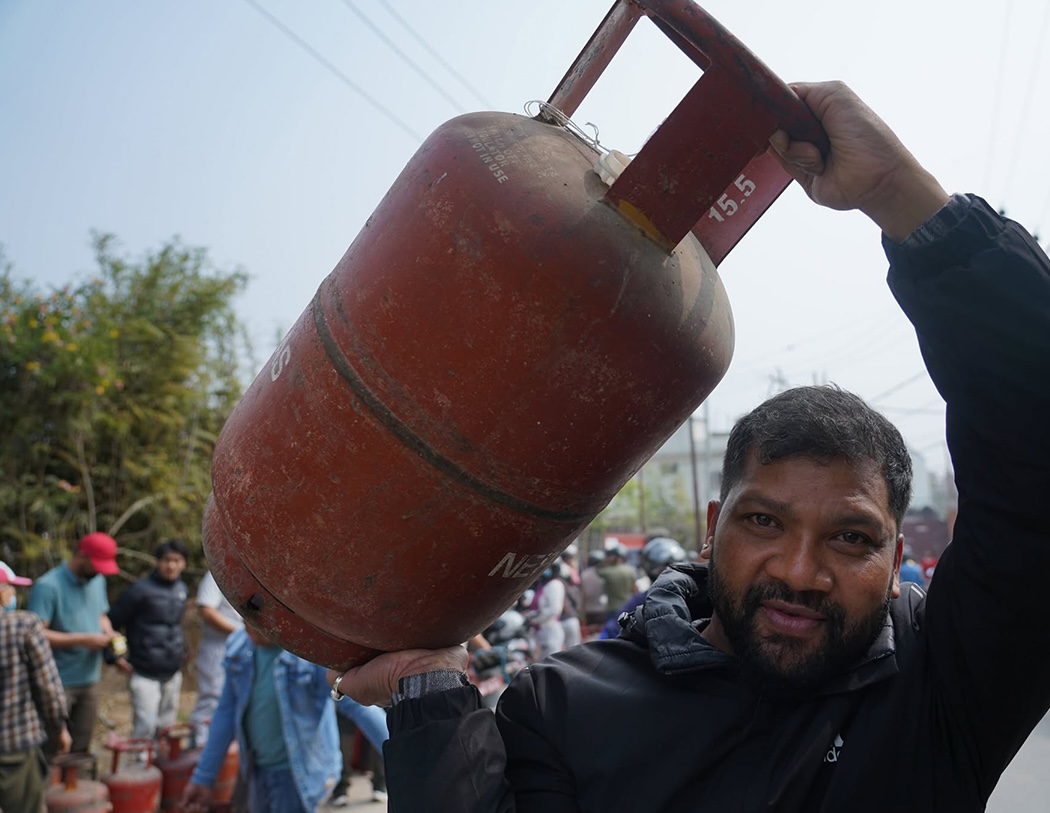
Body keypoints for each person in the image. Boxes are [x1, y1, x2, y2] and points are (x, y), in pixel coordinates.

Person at [329, 81, 1050, 811]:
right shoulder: (567, 706)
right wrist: (434, 700)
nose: (800, 571)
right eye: (764, 521)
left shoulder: (940, 682)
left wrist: (902, 196)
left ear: (898, 563)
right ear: (712, 530)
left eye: (851, 537)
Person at [181, 624, 389, 813]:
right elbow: (225, 714)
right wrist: (203, 777)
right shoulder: (239, 648)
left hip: (299, 778)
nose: (248, 625)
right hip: (256, 773)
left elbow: (359, 708)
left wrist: (402, 758)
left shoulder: (310, 654)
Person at [27, 531, 121, 754]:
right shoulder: (47, 586)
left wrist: (109, 633)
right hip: (58, 680)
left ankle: (77, 785)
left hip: (89, 678)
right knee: (53, 745)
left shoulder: (97, 581)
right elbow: (35, 635)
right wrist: (83, 639)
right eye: (96, 565)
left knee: (81, 744)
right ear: (82, 555)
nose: (99, 571)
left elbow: (101, 615)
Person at [0, 561, 71, 812]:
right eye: (10, 589)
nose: (13, 595)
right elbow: (48, 686)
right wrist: (58, 729)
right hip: (15, 749)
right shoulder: (23, 626)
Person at [107, 539, 189, 744]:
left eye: (176, 561)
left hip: (172, 671)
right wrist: (116, 655)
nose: (171, 566)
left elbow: (175, 625)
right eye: (166, 560)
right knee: (145, 726)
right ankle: (139, 770)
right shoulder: (139, 590)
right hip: (144, 671)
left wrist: (183, 651)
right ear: (157, 562)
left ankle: (161, 768)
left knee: (167, 727)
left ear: (183, 564)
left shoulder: (182, 589)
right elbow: (112, 623)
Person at [188, 569, 243, 746]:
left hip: (241, 647)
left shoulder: (250, 573)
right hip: (218, 646)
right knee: (211, 698)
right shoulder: (217, 573)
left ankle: (226, 751)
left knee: (237, 701)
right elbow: (207, 610)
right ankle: (199, 747)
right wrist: (242, 633)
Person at [595, 543, 638, 620]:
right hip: (627, 607)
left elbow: (598, 571)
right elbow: (635, 590)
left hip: (612, 608)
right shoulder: (630, 571)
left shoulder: (606, 572)